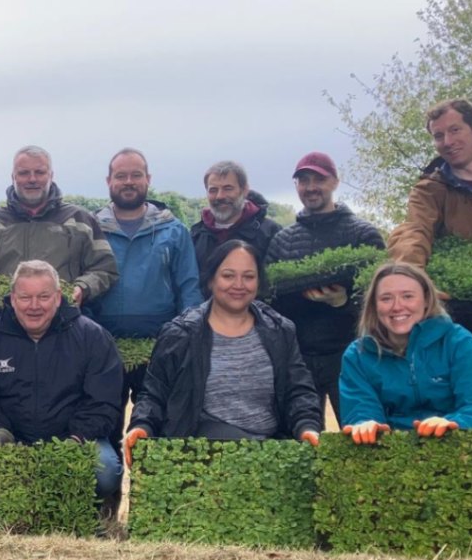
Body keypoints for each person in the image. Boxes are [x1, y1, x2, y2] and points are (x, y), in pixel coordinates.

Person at [123, 241, 322, 461]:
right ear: (211, 279)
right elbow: (154, 393)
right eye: (228, 275)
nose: (239, 285)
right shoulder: (179, 334)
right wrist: (142, 426)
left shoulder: (280, 330)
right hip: (202, 455)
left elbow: (299, 390)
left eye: (248, 276)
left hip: (272, 453)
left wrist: (307, 426)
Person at [0, 260, 124, 506]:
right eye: (25, 297)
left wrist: (75, 439)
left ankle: (76, 506)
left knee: (107, 470)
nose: (34, 306)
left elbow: (103, 404)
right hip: (12, 442)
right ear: (12, 299)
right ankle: (7, 506)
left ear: (58, 297)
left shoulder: (94, 338)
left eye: (43, 297)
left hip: (72, 441)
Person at [387, 98, 472, 405]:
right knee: (464, 417)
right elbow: (415, 231)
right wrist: (411, 277)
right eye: (438, 135)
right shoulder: (430, 190)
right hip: (465, 323)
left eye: (455, 130)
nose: (447, 141)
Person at [265, 152, 385, 420]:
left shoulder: (362, 234)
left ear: (335, 182)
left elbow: (383, 299)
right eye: (303, 181)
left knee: (362, 432)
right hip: (300, 358)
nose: (310, 187)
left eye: (319, 179)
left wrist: (344, 301)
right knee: (304, 439)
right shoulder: (282, 241)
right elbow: (269, 301)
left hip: (352, 354)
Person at [339, 261, 472, 442]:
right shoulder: (357, 355)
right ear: (374, 306)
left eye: (408, 296)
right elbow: (359, 409)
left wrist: (453, 423)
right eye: (386, 298)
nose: (397, 306)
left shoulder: (459, 342)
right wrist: (365, 424)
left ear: (426, 300)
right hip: (389, 452)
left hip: (453, 445)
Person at [88, 148, 199, 412]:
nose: (128, 182)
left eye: (136, 175)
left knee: (157, 427)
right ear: (108, 181)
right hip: (104, 348)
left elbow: (189, 287)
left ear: (148, 179)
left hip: (160, 348)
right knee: (102, 426)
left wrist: (187, 339)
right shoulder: (90, 230)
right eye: (121, 175)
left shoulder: (174, 230)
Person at [0, 145, 118, 308]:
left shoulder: (80, 220)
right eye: (24, 173)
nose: (32, 179)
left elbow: (105, 268)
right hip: (5, 321)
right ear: (13, 177)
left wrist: (83, 287)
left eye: (40, 172)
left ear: (51, 176)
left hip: (64, 321)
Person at [189, 161, 282, 270]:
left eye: (228, 188)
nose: (220, 196)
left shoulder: (271, 233)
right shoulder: (194, 237)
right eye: (213, 190)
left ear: (244, 190)